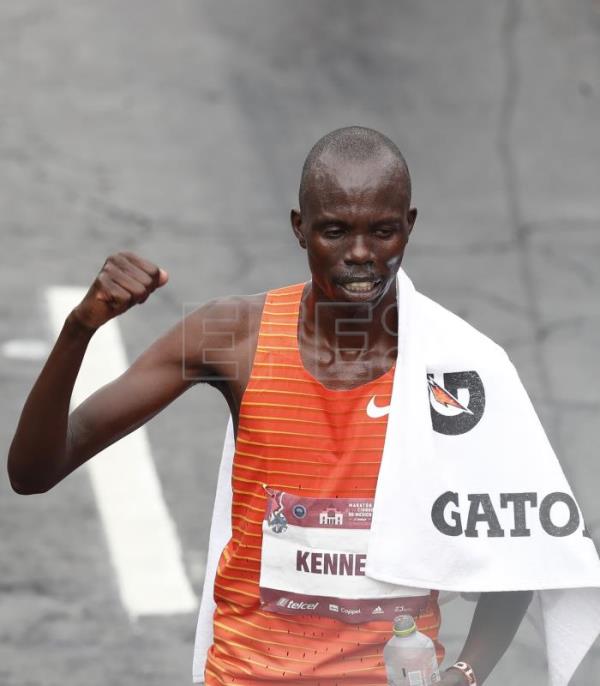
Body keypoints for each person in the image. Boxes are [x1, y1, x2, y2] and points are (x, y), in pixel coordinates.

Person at [8, 126, 533, 685]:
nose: (361, 255)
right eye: (335, 231)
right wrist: (78, 330)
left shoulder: (456, 368)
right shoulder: (232, 336)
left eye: (382, 232)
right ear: (299, 229)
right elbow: (34, 470)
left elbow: (528, 541)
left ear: (409, 226)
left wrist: (466, 673)